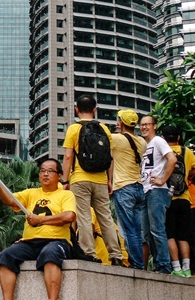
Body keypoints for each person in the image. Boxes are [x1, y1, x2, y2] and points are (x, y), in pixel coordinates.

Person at [0, 159, 77, 300]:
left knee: (50, 253)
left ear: (59, 175)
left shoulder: (66, 195)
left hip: (56, 241)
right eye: (42, 171)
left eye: (50, 171)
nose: (45, 174)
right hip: (29, 243)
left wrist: (40, 220)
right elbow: (8, 200)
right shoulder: (31, 193)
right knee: (5, 256)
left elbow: (69, 216)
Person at [61, 93, 123, 265]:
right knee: (106, 218)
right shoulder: (104, 129)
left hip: (80, 179)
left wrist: (65, 181)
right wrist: (109, 180)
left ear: (77, 110)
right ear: (95, 110)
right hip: (101, 180)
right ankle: (116, 255)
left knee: (84, 217)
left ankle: (89, 253)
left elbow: (68, 156)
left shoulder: (74, 129)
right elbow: (110, 158)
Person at [160, 124, 195, 277]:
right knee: (183, 236)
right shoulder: (186, 151)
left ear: (163, 138)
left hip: (168, 198)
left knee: (169, 235)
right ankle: (187, 268)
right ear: (178, 137)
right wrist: (188, 175)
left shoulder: (163, 152)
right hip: (185, 198)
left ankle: (176, 268)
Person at [110, 108, 147, 269]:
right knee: (137, 230)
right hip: (139, 187)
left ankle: (136, 263)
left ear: (121, 123)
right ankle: (139, 262)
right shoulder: (142, 142)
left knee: (128, 229)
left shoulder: (117, 139)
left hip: (124, 187)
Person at [139, 115, 176, 274]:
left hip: (157, 191)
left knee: (157, 229)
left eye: (147, 124)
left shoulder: (158, 141)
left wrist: (162, 179)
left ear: (155, 126)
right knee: (147, 233)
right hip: (145, 189)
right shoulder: (144, 145)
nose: (144, 127)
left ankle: (164, 265)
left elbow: (172, 159)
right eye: (142, 125)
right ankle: (158, 264)